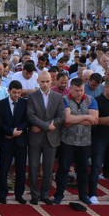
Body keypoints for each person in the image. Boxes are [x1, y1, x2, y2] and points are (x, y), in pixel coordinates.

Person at [54, 78, 98, 204]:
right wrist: (86, 117)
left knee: (83, 169)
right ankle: (59, 194)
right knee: (63, 169)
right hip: (67, 141)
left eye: (81, 90)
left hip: (85, 142)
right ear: (70, 89)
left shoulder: (91, 99)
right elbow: (67, 120)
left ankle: (83, 194)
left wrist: (76, 119)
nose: (79, 93)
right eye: (76, 90)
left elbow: (94, 120)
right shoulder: (64, 100)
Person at [26, 71, 65, 205]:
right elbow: (30, 116)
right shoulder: (31, 96)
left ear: (52, 81)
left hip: (51, 138)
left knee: (48, 168)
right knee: (33, 167)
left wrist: (47, 127)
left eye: (47, 81)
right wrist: (47, 126)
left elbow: (61, 116)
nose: (45, 84)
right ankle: (34, 195)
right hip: (36, 137)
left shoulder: (59, 97)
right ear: (38, 81)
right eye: (42, 81)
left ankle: (45, 194)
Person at [0, 80, 28, 204]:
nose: (16, 95)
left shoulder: (24, 103)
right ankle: (2, 195)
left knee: (20, 170)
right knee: (4, 168)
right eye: (14, 92)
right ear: (9, 91)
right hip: (6, 140)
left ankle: (19, 194)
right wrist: (10, 131)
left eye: (19, 93)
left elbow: (27, 120)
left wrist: (18, 130)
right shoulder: (1, 104)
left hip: (20, 141)